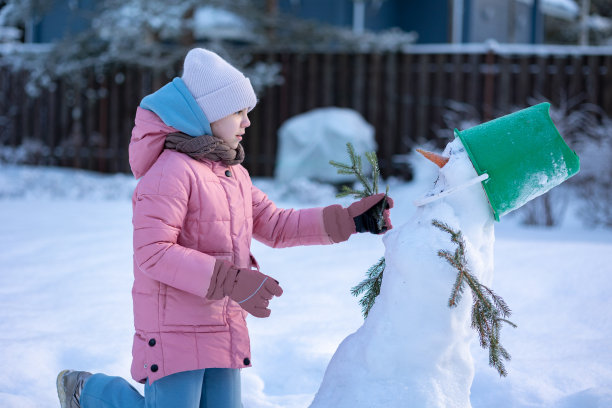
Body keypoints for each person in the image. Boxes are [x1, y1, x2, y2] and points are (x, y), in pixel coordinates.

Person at [56, 48, 393, 408]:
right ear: (205, 115)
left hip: (222, 322)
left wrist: (349, 220)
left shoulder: (234, 175)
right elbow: (153, 253)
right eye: (238, 112)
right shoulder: (170, 172)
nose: (247, 122)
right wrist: (232, 280)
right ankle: (88, 391)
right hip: (174, 328)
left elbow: (277, 224)